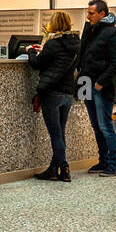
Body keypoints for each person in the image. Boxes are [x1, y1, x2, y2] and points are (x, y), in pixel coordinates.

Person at [27, 11, 80, 182]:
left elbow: (36, 64)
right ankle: (53, 168)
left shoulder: (53, 44)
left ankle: (64, 168)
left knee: (55, 134)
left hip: (52, 93)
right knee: (60, 132)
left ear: (53, 25)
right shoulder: (75, 43)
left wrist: (30, 52)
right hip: (68, 93)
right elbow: (60, 60)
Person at [78, 0, 116, 176]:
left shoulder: (112, 33)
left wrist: (100, 83)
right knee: (96, 125)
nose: (88, 16)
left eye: (91, 13)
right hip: (87, 83)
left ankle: (114, 164)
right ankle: (103, 160)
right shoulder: (90, 30)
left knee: (105, 126)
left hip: (101, 87)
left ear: (102, 14)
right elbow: (84, 55)